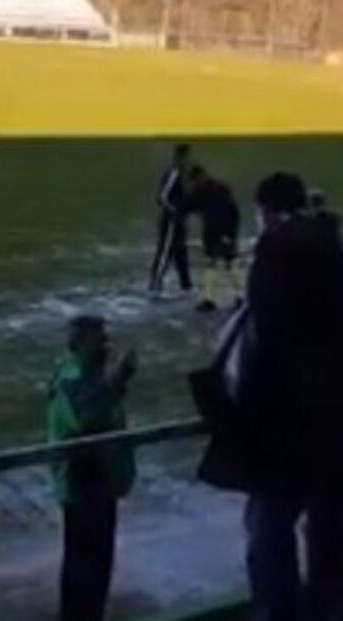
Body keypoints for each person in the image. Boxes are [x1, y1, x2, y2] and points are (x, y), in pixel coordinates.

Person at [199, 172, 343, 621]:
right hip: (333, 421)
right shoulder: (331, 245)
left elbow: (263, 340)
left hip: (283, 426)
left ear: (265, 209)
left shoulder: (276, 252)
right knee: (327, 536)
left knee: (269, 533)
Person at [48, 315, 137, 621]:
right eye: (98, 339)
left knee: (92, 565)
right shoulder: (72, 376)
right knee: (87, 566)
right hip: (84, 481)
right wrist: (121, 377)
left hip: (97, 478)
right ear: (79, 342)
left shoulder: (85, 372)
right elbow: (88, 419)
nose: (105, 346)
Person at [185, 166, 241, 313]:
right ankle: (219, 298)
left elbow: (231, 212)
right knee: (219, 264)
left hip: (220, 230)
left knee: (224, 264)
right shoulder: (212, 189)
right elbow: (188, 206)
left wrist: (229, 234)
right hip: (215, 231)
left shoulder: (214, 191)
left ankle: (233, 297)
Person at [148, 143, 193, 295]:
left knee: (181, 252)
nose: (188, 161)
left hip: (180, 222)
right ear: (180, 157)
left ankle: (186, 286)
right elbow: (162, 197)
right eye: (186, 157)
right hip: (171, 222)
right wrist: (175, 211)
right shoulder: (173, 173)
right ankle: (155, 284)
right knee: (165, 251)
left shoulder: (184, 175)